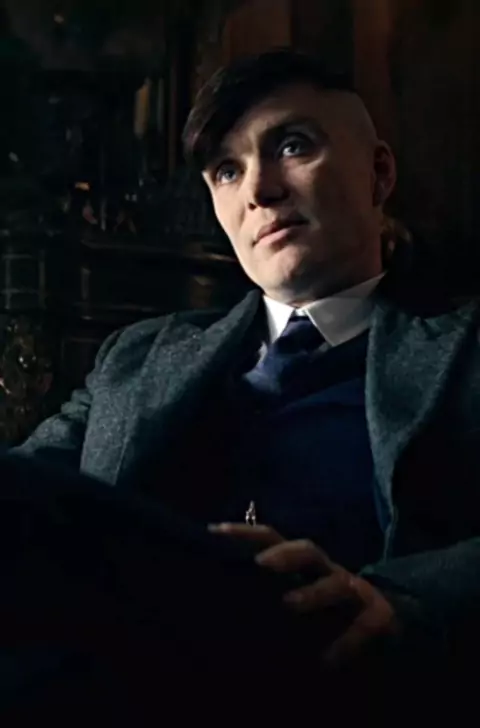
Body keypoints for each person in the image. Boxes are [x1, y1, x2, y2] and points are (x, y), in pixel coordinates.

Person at [6, 49, 480, 718]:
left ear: (378, 174)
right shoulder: (139, 355)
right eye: (227, 170)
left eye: (293, 146)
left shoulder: (465, 347)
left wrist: (406, 603)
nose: (259, 190)